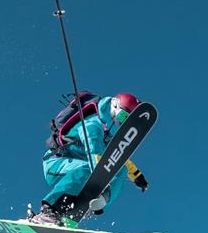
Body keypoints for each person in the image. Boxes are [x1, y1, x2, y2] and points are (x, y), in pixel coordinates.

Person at [30, 92, 149, 225]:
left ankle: (94, 203)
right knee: (86, 169)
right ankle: (48, 211)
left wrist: (136, 176)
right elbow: (93, 150)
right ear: (114, 107)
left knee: (120, 170)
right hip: (56, 162)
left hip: (85, 168)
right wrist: (100, 176)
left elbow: (118, 157)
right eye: (123, 116)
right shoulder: (92, 124)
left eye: (126, 122)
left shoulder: (109, 136)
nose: (121, 122)